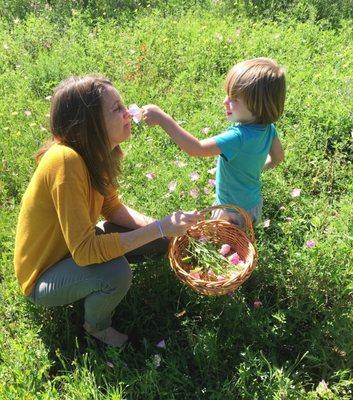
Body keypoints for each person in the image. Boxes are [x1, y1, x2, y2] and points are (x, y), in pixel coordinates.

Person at [14, 75, 202, 347]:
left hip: (72, 249)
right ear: (89, 124)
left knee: (156, 239)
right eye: (116, 109)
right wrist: (159, 227)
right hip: (44, 276)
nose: (128, 113)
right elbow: (86, 251)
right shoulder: (65, 162)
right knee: (115, 273)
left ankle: (99, 283)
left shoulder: (98, 152)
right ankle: (97, 328)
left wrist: (165, 230)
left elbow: (112, 208)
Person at [142, 57, 286, 226]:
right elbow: (278, 158)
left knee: (222, 246)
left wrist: (163, 119)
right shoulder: (269, 128)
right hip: (253, 205)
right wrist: (252, 168)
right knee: (242, 242)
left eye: (234, 99)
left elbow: (196, 148)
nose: (225, 101)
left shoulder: (237, 137)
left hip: (230, 212)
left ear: (257, 106)